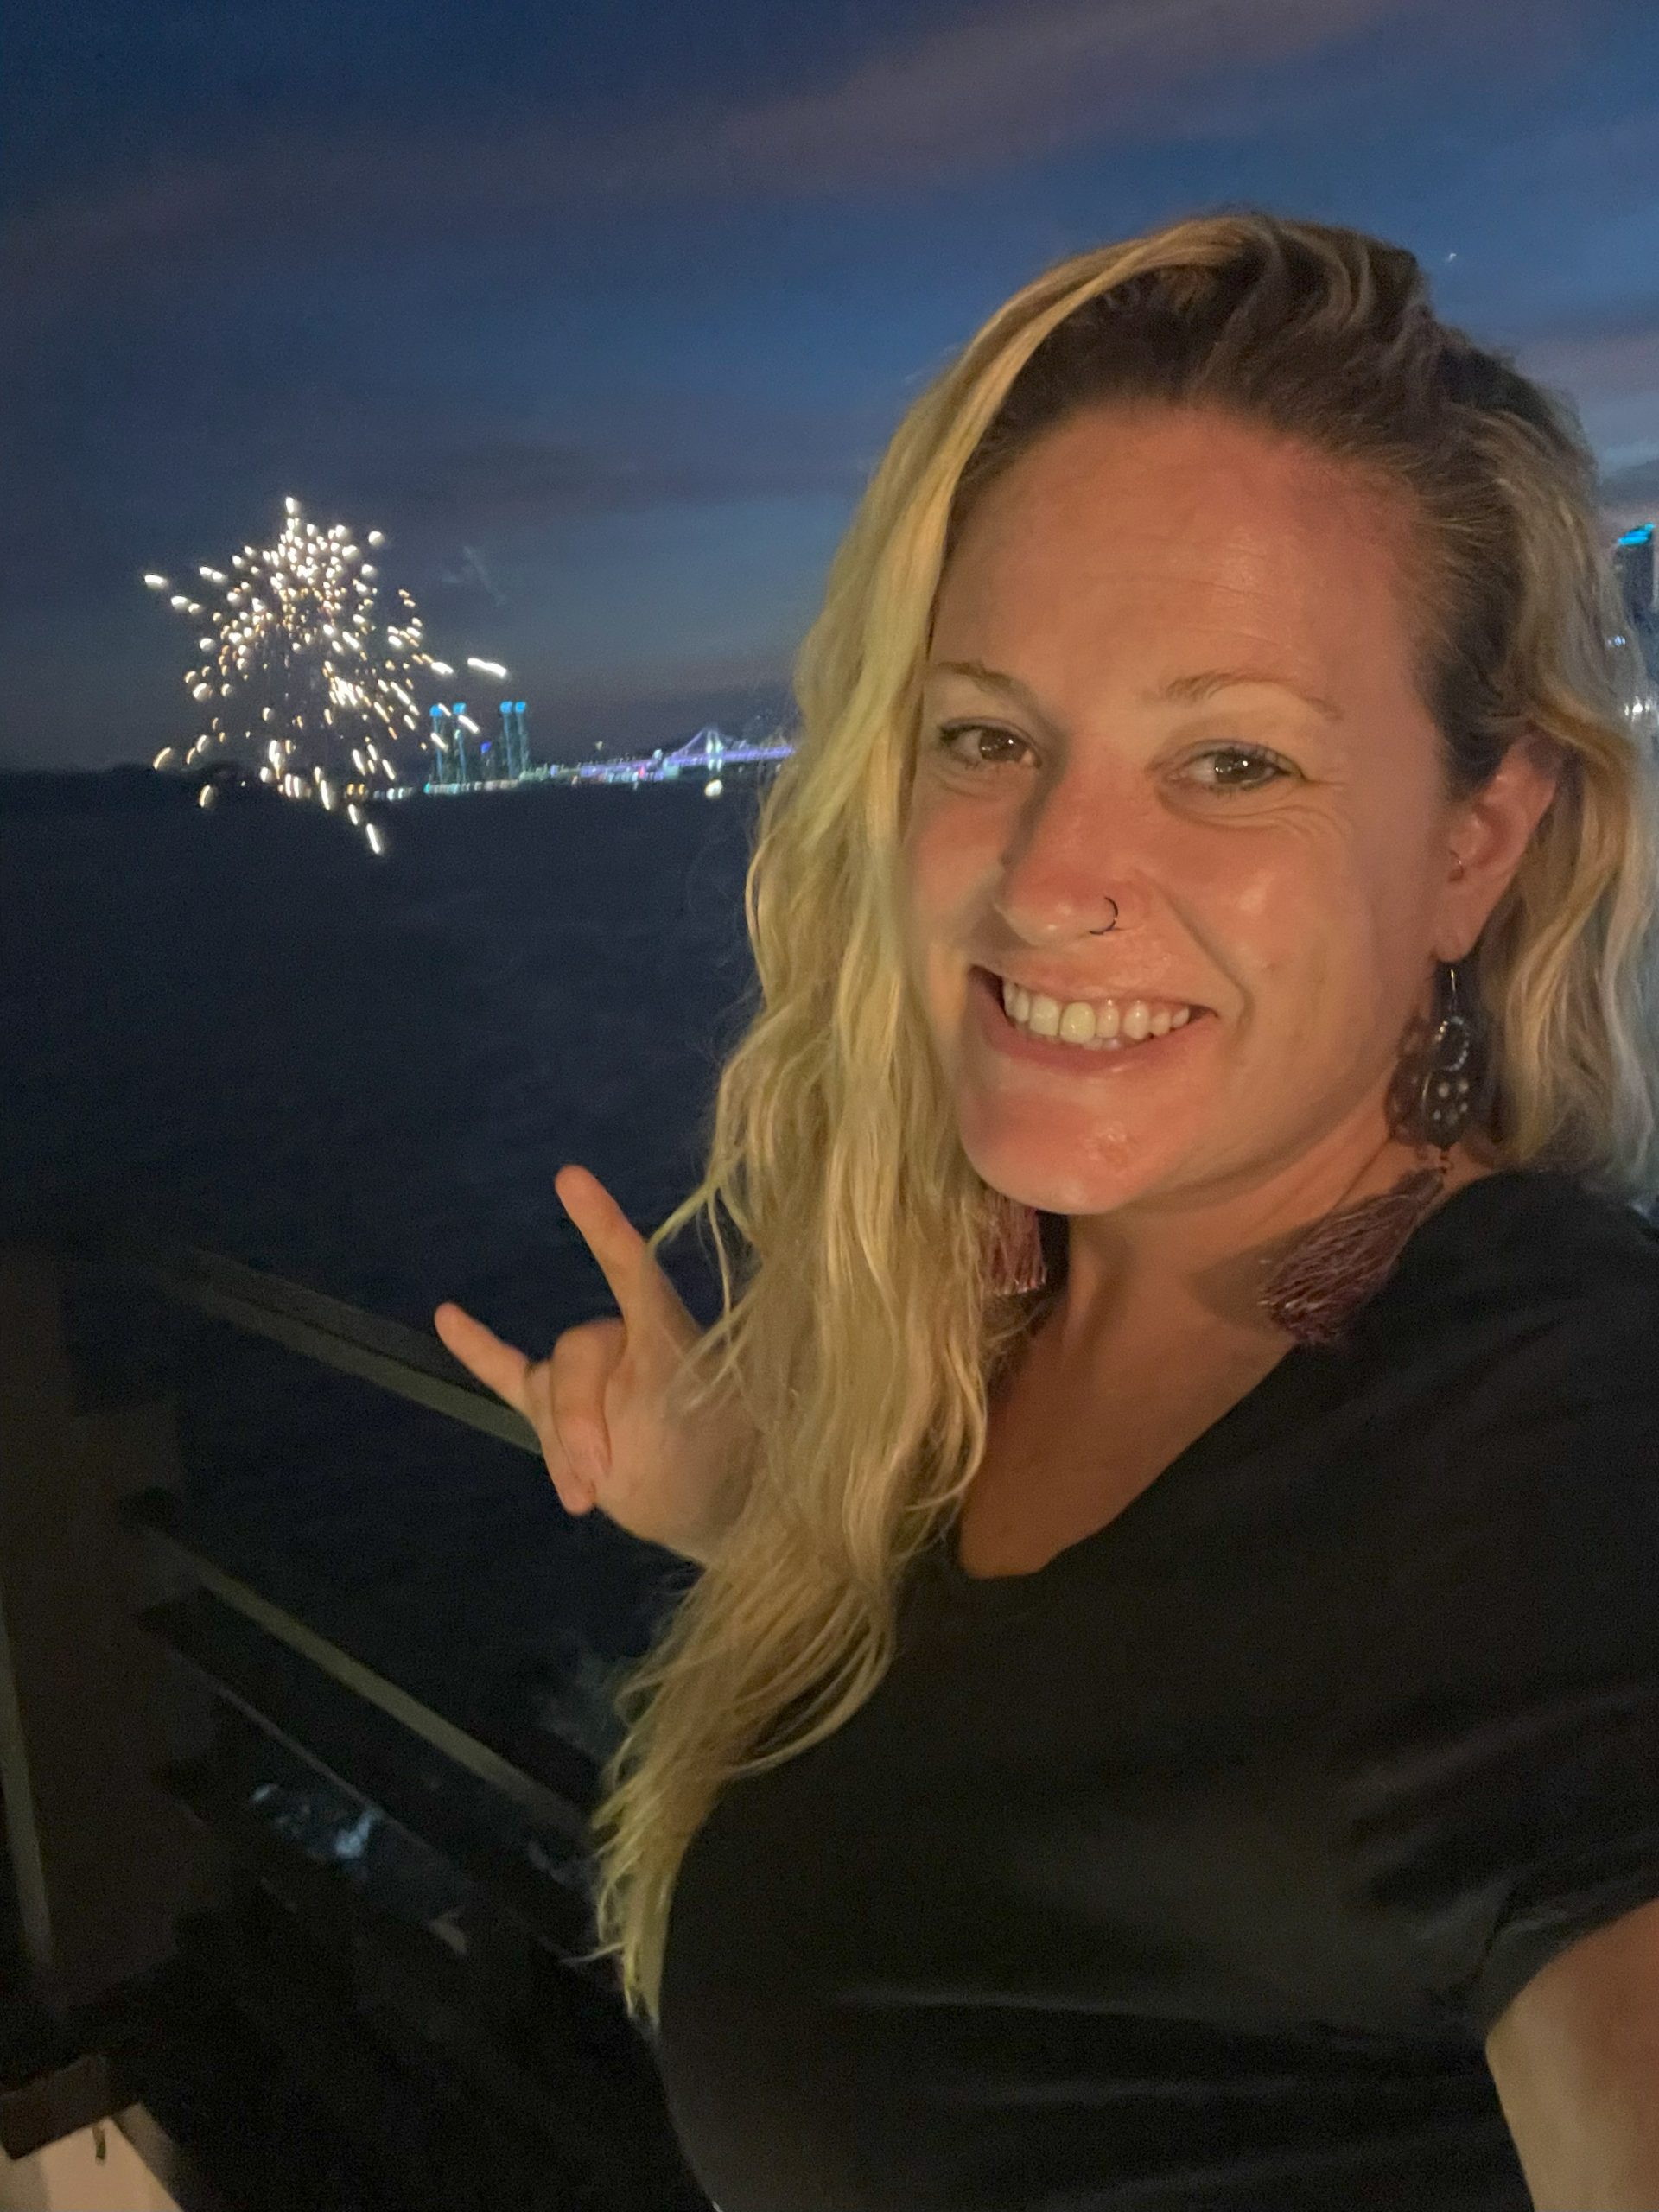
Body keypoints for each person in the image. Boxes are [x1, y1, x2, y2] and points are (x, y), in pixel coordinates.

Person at [435, 213, 1659, 2210]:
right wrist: (774, 1514)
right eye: (989, 735)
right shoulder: (1009, 1327)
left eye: (1233, 759)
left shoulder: (1563, 1446)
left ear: (1474, 842)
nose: (1047, 875)